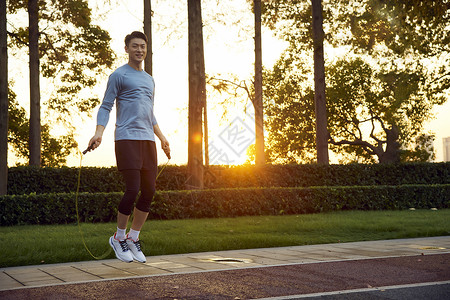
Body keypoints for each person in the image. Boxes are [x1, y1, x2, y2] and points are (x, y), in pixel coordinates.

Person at [87, 31, 170, 263]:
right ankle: (118, 237)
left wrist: (162, 138)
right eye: (135, 46)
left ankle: (133, 237)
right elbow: (105, 106)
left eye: (143, 46)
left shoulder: (150, 80)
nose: (139, 50)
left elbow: (149, 113)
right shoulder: (118, 76)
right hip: (126, 138)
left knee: (150, 191)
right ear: (126, 49)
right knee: (132, 189)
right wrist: (99, 133)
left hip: (147, 140)